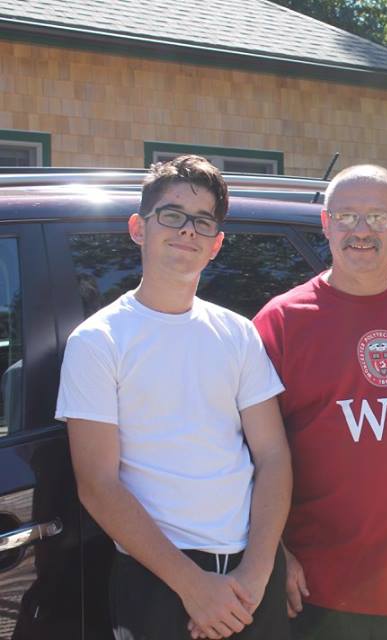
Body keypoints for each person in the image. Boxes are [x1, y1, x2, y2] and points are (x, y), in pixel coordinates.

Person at [56, 155, 292, 639]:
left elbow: (272, 455)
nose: (187, 229)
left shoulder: (239, 334)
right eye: (172, 214)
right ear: (138, 228)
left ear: (216, 244)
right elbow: (97, 484)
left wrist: (259, 570)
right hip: (159, 581)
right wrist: (193, 587)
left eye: (203, 221)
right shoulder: (98, 342)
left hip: (251, 576)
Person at [252, 165, 387, 640]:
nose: (362, 230)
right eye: (346, 216)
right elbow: (242, 453)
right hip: (322, 587)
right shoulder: (281, 323)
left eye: (378, 217)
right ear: (325, 224)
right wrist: (272, 553)